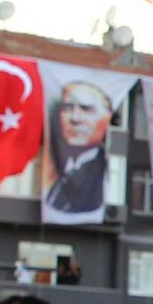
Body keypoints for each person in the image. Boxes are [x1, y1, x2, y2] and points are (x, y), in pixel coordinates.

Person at [41, 78, 114, 224]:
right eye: (67, 108)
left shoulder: (94, 172)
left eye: (86, 109)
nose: (75, 118)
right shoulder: (64, 170)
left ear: (106, 117)